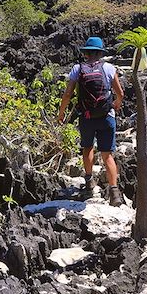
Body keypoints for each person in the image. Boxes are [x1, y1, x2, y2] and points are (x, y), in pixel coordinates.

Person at [57, 36, 125, 207]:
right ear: (101, 53)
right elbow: (120, 93)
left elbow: (67, 94)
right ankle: (114, 192)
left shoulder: (77, 69)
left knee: (88, 148)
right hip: (106, 116)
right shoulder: (109, 68)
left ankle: (89, 183)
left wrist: (61, 113)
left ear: (86, 53)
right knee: (107, 154)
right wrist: (115, 105)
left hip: (86, 116)